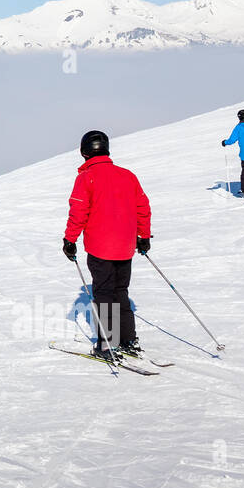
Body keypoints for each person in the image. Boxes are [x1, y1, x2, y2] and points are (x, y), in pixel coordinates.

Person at [61, 130, 152, 361]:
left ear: (83, 152)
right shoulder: (127, 175)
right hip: (125, 247)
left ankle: (107, 344)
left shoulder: (86, 178)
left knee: (104, 294)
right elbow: (143, 207)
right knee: (121, 291)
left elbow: (79, 212)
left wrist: (70, 240)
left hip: (100, 248)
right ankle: (128, 339)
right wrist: (144, 236)